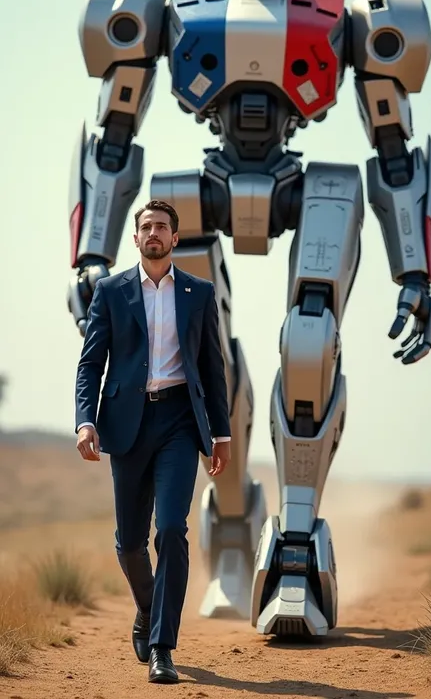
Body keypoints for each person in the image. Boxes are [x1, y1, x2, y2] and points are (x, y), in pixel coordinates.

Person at [74, 199, 231, 684]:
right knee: (130, 544)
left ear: (175, 238)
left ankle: (162, 647)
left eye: (162, 226)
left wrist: (220, 434)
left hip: (180, 423)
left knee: (170, 531)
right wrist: (85, 421)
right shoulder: (110, 291)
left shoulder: (198, 293)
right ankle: (147, 607)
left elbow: (212, 367)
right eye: (147, 227)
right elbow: (90, 364)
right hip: (126, 425)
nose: (154, 233)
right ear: (136, 238)